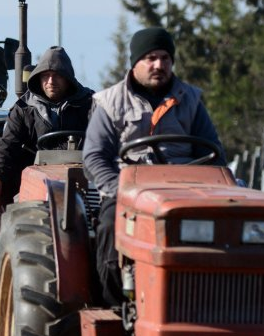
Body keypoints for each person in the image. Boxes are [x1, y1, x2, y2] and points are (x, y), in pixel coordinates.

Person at [83, 27, 226, 306]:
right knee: (111, 227)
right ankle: (115, 307)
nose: (159, 65)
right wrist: (118, 190)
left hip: (183, 193)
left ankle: (209, 302)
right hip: (128, 193)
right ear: (135, 62)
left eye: (165, 58)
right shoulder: (110, 102)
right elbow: (95, 156)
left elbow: (213, 154)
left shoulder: (191, 100)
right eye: (150, 58)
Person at [0, 46, 94, 205]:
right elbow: (7, 145)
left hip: (83, 176)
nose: (51, 82)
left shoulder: (90, 104)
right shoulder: (24, 108)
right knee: (23, 208)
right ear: (38, 78)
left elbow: (106, 139)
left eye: (57, 76)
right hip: (36, 181)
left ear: (68, 78)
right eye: (46, 76)